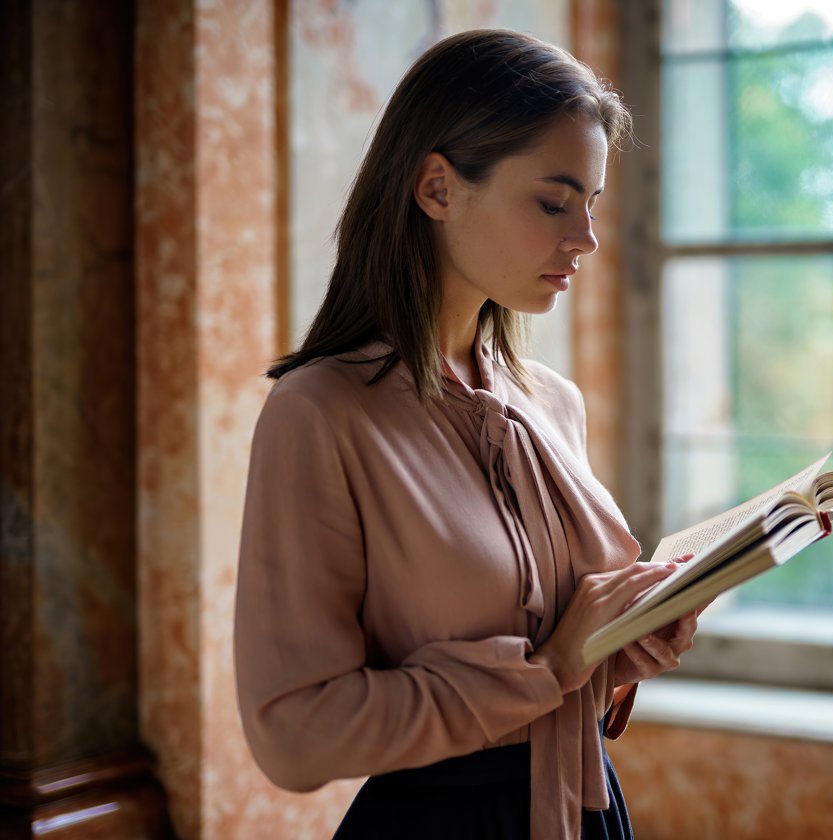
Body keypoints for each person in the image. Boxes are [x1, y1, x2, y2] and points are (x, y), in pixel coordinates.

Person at [233, 28, 702, 840]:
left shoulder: (554, 403)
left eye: (591, 205)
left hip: (588, 814)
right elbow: (295, 733)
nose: (585, 238)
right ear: (437, 189)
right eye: (554, 202)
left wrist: (624, 642)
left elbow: (561, 656)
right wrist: (550, 667)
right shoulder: (319, 414)